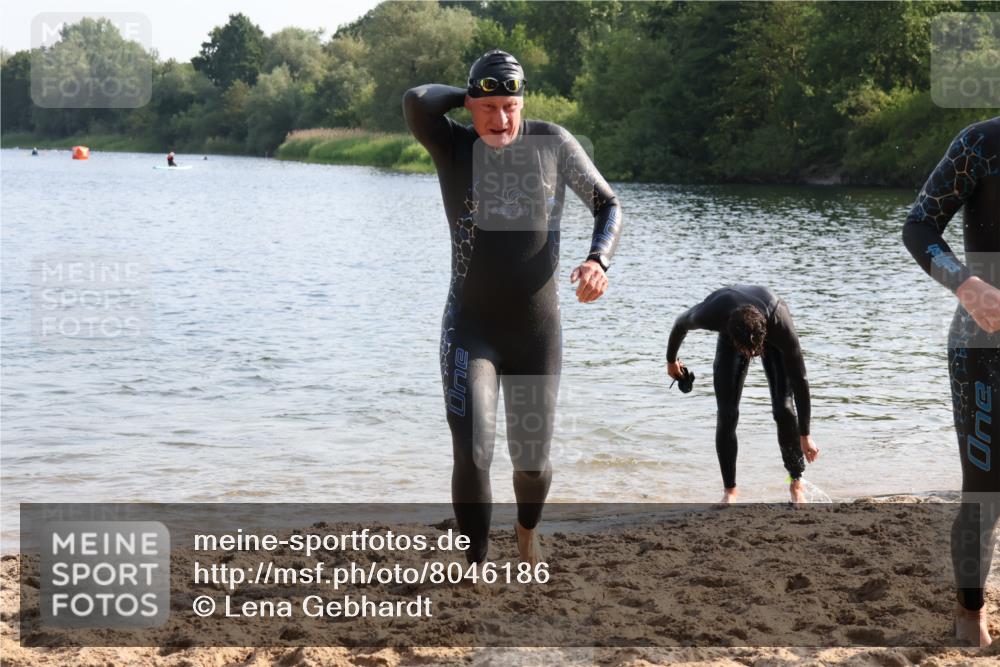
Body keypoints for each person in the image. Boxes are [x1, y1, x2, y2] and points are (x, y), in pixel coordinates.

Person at [403, 50, 623, 565]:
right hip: (470, 328)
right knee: (474, 450)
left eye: (511, 106)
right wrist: (471, 93)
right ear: (471, 104)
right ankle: (475, 561)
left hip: (535, 333)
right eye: (489, 107)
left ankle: (527, 532)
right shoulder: (452, 145)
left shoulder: (552, 143)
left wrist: (599, 262)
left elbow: (608, 204)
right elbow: (416, 101)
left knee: (532, 462)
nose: (501, 120)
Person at [903, 117, 1000, 647]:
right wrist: (965, 283)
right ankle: (969, 611)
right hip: (984, 344)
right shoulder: (981, 143)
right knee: (986, 491)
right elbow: (918, 226)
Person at [666, 285, 820, 504]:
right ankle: (730, 491)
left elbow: (800, 379)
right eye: (748, 352)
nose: (751, 356)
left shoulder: (780, 323)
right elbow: (680, 323)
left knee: (784, 408)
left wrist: (805, 434)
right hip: (734, 333)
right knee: (727, 414)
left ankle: (796, 482)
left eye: (754, 352)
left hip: (769, 330)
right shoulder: (711, 314)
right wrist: (671, 360)